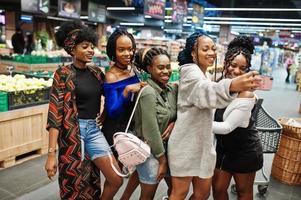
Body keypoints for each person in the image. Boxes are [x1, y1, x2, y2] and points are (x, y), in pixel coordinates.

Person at [167, 32, 262, 200]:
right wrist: (232, 86)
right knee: (181, 193)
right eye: (205, 49)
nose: (211, 52)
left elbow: (201, 92)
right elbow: (205, 91)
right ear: (193, 53)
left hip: (222, 147)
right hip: (189, 145)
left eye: (213, 48)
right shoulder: (193, 72)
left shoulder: (207, 74)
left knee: (203, 193)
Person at [44, 21, 122, 199]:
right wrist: (51, 154)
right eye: (85, 46)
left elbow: (111, 96)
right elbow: (55, 114)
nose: (90, 50)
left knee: (115, 178)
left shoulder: (97, 73)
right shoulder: (62, 74)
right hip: (71, 133)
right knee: (74, 182)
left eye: (92, 46)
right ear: (72, 49)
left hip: (93, 131)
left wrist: (127, 89)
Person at [121, 47, 177, 200]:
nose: (166, 71)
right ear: (149, 69)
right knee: (148, 194)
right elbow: (150, 130)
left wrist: (174, 124)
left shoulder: (172, 90)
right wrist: (162, 160)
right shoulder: (148, 92)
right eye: (160, 67)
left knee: (175, 190)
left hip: (167, 149)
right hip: (152, 152)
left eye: (168, 67)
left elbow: (180, 113)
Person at [212, 36, 263, 200]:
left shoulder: (246, 94)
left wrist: (196, 123)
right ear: (225, 62)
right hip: (222, 149)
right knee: (218, 189)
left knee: (244, 192)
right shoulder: (219, 83)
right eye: (233, 65)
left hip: (245, 151)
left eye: (243, 68)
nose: (236, 71)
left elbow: (226, 127)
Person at [101, 28, 145, 149]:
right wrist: (127, 90)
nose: (127, 54)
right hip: (116, 132)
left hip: (132, 128)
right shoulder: (111, 76)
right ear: (113, 51)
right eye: (121, 50)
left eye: (130, 49)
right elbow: (112, 112)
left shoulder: (134, 69)